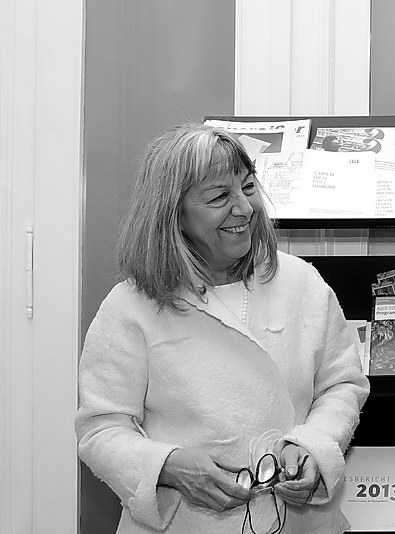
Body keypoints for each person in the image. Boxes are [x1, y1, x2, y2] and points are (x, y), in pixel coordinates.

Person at [75, 123, 370, 533]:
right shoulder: (130, 306)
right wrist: (170, 466)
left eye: (248, 187)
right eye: (219, 197)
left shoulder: (301, 282)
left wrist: (312, 446)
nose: (245, 209)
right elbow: (101, 428)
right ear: (173, 214)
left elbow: (342, 385)